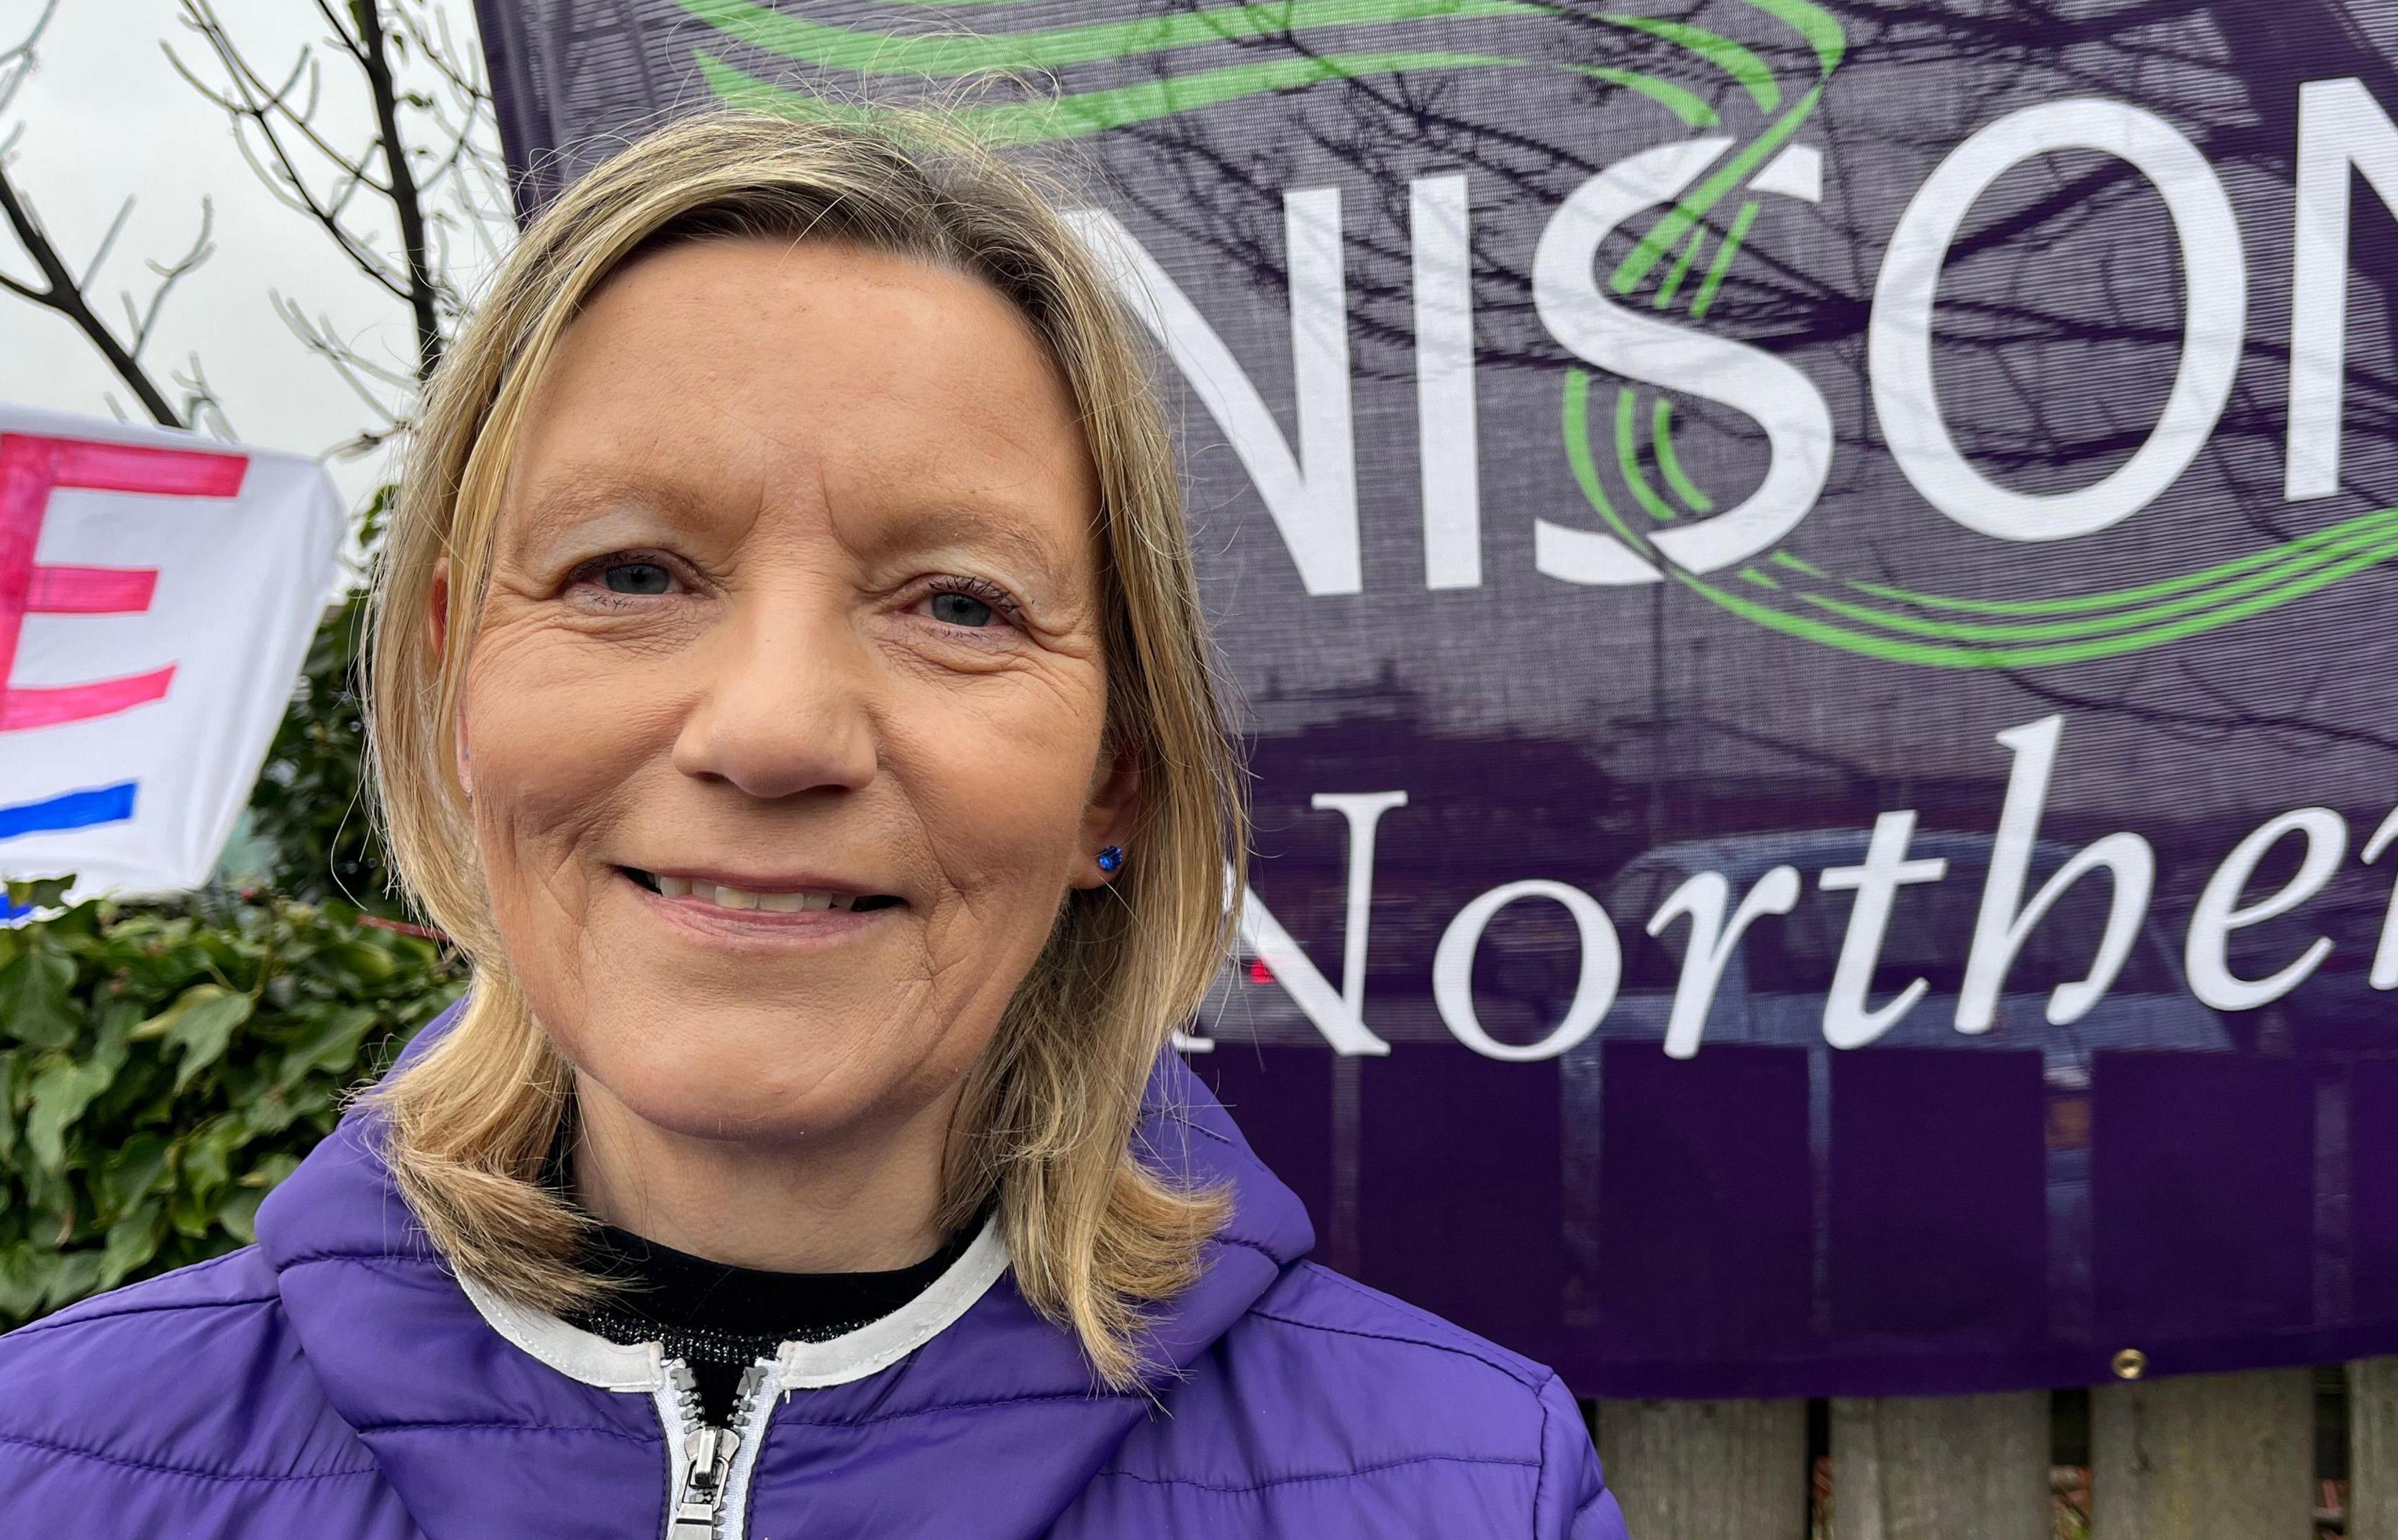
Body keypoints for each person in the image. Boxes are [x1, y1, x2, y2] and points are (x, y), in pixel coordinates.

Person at [0, 109, 1623, 1539]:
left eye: (959, 604)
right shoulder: (46, 1464)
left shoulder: (1480, 1488)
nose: (774, 729)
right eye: (630, 574)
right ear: (449, 687)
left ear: (1112, 779)